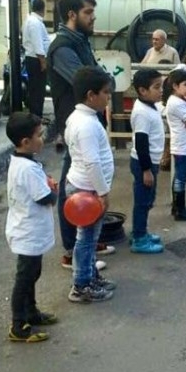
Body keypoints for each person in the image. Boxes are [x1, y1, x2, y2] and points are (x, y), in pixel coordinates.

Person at [46, 0, 115, 270]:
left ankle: (85, 237)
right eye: (88, 12)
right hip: (74, 123)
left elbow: (102, 79)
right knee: (72, 185)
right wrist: (103, 82)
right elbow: (88, 81)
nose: (93, 17)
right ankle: (72, 249)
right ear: (72, 15)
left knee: (78, 181)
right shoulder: (63, 48)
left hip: (86, 119)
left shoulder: (80, 41)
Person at [5, 112, 58, 343]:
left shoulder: (23, 162)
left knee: (32, 274)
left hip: (28, 231)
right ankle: (18, 325)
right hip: (28, 233)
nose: (42, 138)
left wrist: (46, 184)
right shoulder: (27, 168)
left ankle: (31, 312)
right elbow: (46, 198)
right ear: (25, 141)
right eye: (39, 135)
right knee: (25, 279)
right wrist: (53, 189)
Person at [65, 66, 116, 303]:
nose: (108, 97)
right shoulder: (86, 125)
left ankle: (90, 276)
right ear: (90, 95)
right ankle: (81, 285)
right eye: (105, 92)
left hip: (87, 188)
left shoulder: (80, 118)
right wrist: (102, 193)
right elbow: (92, 162)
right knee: (86, 240)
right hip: (88, 191)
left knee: (90, 239)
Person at [129, 69, 165, 254]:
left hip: (151, 162)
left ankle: (140, 231)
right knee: (143, 202)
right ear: (142, 91)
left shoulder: (150, 106)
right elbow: (141, 143)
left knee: (148, 200)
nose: (161, 90)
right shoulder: (142, 113)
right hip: (144, 163)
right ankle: (139, 238)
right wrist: (146, 170)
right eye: (157, 87)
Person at [163, 68, 186, 221]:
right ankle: (180, 209)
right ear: (175, 86)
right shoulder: (175, 103)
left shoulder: (181, 100)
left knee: (181, 176)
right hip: (181, 145)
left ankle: (178, 208)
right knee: (180, 178)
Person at [22, 0, 51, 119]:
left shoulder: (31, 20)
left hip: (33, 59)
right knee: (38, 90)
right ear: (43, 9)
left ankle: (36, 115)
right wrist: (43, 62)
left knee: (35, 89)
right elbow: (37, 43)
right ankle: (36, 116)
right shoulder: (34, 23)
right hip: (36, 60)